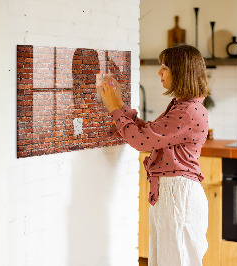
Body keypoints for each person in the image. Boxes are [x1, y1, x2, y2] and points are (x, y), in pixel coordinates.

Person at [98, 44, 210, 266]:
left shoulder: (187, 111)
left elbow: (141, 141)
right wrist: (120, 105)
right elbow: (150, 133)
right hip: (173, 193)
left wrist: (114, 109)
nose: (159, 72)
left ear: (181, 72)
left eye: (165, 67)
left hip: (178, 195)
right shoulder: (183, 106)